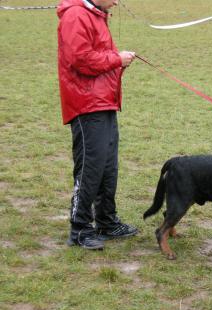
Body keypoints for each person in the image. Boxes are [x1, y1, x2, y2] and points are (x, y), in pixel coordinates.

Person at [57, 0, 138, 250]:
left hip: (104, 100)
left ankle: (106, 220)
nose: (117, 1)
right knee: (90, 168)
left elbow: (95, 54)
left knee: (108, 166)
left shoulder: (97, 14)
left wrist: (117, 59)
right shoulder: (76, 16)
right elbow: (80, 59)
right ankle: (80, 228)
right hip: (86, 102)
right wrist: (117, 59)